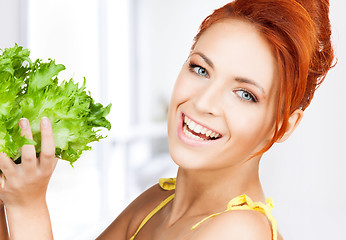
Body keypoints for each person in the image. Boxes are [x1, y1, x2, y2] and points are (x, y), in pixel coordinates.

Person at [0, 0, 335, 239]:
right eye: (200, 69)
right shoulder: (157, 202)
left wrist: (28, 207)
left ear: (284, 125)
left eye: (245, 94)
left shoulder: (239, 231)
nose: (203, 103)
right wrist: (8, 192)